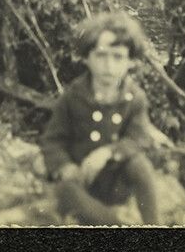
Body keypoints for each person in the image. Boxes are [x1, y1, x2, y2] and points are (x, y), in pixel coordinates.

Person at [39, 11, 161, 225]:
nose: (109, 66)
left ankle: (155, 227)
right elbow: (52, 140)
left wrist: (109, 152)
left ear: (131, 61)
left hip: (115, 180)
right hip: (81, 179)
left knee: (140, 165)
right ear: (86, 58)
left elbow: (139, 137)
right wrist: (65, 167)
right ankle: (114, 225)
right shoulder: (73, 96)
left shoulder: (134, 98)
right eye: (101, 56)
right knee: (65, 190)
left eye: (118, 57)